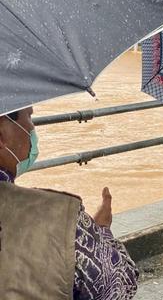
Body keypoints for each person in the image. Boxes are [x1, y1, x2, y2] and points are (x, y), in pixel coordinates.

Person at [0, 107, 138, 299]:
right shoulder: (57, 218)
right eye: (29, 117)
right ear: (1, 135)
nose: (32, 128)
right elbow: (120, 286)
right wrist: (101, 231)